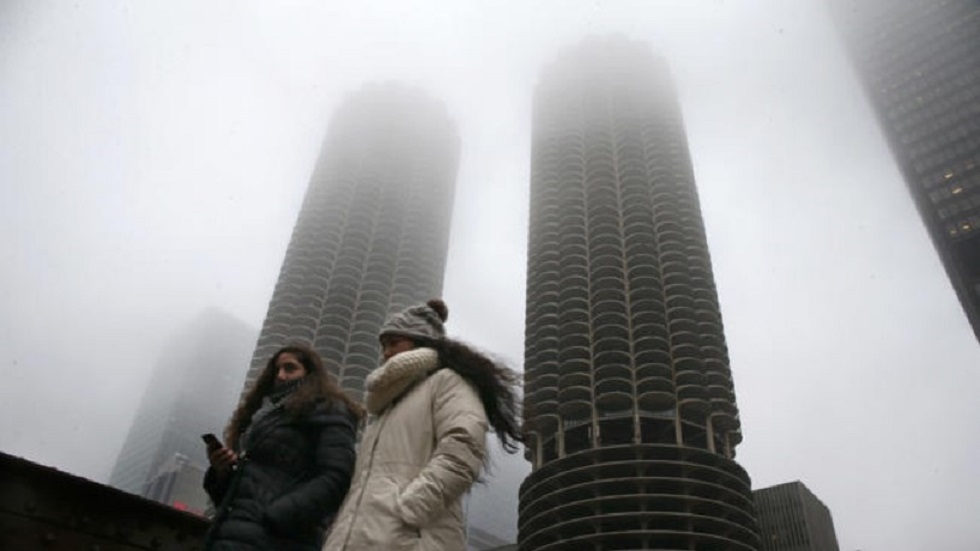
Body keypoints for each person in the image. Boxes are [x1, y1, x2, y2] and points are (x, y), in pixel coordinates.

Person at [323, 299, 523, 551]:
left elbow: (463, 450)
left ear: (421, 342)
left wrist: (409, 511)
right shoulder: (382, 411)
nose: (386, 353)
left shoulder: (446, 382)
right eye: (384, 346)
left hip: (411, 538)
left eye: (394, 343)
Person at [203, 344, 363, 551]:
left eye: (290, 368)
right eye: (276, 370)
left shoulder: (328, 409)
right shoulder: (262, 415)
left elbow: (337, 477)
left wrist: (279, 515)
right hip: (230, 533)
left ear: (310, 373)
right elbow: (247, 487)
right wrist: (221, 471)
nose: (280, 375)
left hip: (280, 539)